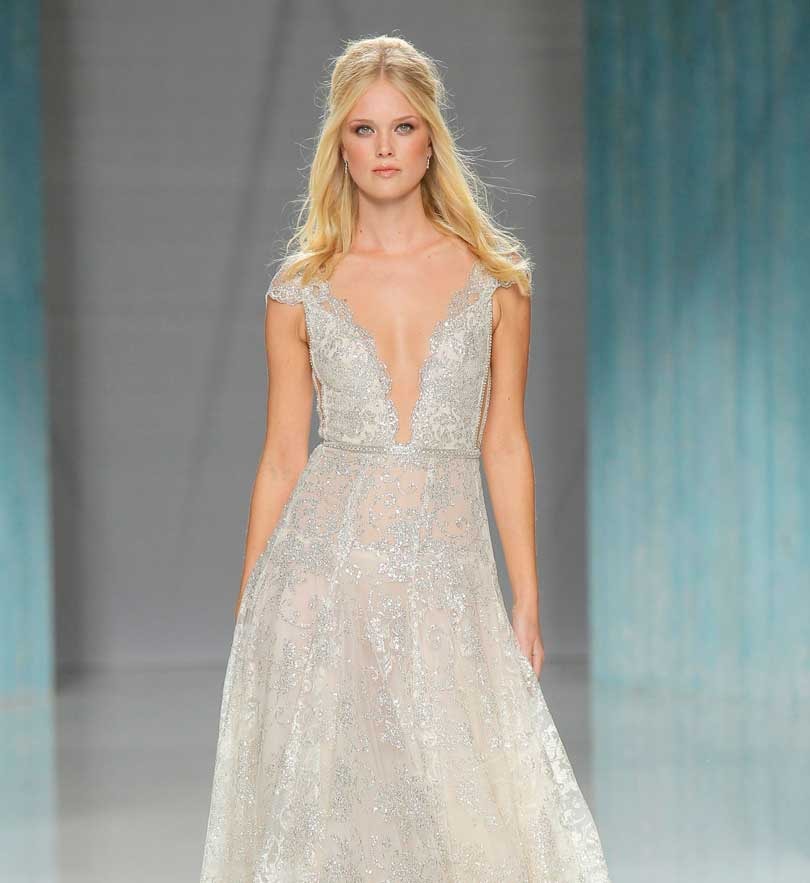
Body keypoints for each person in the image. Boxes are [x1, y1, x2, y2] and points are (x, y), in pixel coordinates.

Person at [199, 34, 611, 883]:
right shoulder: (299, 289)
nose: (383, 148)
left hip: (448, 583)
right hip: (323, 578)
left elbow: (505, 440)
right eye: (363, 129)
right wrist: (250, 605)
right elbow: (282, 456)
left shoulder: (497, 281)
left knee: (471, 808)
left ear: (431, 140)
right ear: (340, 147)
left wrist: (527, 596)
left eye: (402, 127)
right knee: (334, 816)